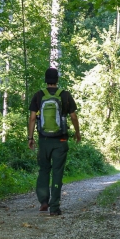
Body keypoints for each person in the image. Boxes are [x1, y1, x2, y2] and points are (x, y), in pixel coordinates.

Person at [27, 67, 81, 216]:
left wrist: (30, 138)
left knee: (44, 170)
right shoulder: (65, 96)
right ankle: (54, 207)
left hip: (44, 140)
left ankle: (44, 202)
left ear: (46, 80)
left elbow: (32, 118)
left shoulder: (38, 95)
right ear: (57, 80)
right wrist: (77, 133)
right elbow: (74, 117)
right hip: (61, 140)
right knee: (57, 172)